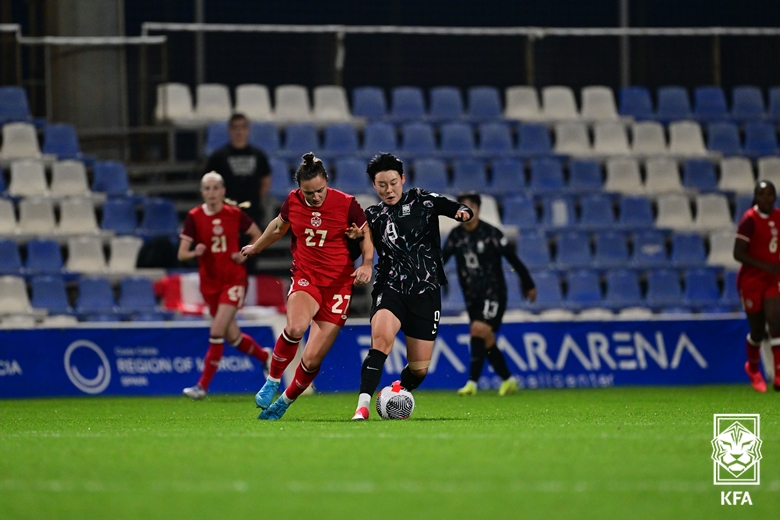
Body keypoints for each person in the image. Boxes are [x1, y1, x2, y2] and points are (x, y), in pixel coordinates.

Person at [241, 152, 374, 420]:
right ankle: (272, 380)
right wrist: (256, 247)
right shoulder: (293, 200)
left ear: (327, 180)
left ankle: (285, 401)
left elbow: (366, 233)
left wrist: (367, 263)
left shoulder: (346, 204)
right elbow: (279, 226)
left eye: (320, 190)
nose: (315, 197)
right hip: (307, 276)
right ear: (300, 188)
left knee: (312, 359)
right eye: (308, 192)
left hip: (338, 286)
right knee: (296, 327)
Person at [351, 153, 473, 420]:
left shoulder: (423, 201)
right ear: (374, 185)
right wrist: (354, 243)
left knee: (419, 370)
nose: (389, 189)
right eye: (382, 185)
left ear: (402, 179)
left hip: (426, 292)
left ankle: (394, 391)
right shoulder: (371, 216)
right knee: (381, 340)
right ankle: (362, 407)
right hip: (391, 287)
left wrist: (462, 213)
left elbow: (453, 207)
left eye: (393, 182)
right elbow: (360, 250)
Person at [180, 172, 270, 399]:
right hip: (210, 284)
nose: (211, 193)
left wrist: (245, 254)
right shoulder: (194, 217)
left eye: (215, 188)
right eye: (207, 189)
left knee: (217, 330)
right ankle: (265, 357)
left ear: (223, 191)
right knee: (232, 337)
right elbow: (181, 254)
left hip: (234, 279)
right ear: (202, 193)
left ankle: (201, 386)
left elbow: (257, 235)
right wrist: (194, 252)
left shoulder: (234, 214)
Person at [442, 192, 537, 397]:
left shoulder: (491, 233)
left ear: (478, 209)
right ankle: (508, 380)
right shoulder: (456, 236)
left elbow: (513, 260)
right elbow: (441, 260)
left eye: (471, 207)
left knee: (478, 329)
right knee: (484, 336)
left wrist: (528, 284)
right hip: (471, 296)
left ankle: (472, 384)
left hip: (494, 293)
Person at [734, 180, 780, 392]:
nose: (767, 198)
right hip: (752, 280)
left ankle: (778, 375)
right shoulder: (749, 220)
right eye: (763, 194)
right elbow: (738, 253)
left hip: (772, 279)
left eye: (771, 194)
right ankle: (752, 368)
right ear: (756, 197)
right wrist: (764, 265)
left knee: (775, 321)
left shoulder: (778, 217)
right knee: (758, 331)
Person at [204, 113, 272, 227]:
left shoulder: (258, 155)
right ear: (229, 130)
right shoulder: (218, 157)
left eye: (243, 127)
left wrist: (255, 198)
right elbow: (209, 182)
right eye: (235, 128)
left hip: (252, 211)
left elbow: (266, 179)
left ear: (248, 130)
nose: (239, 131)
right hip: (226, 211)